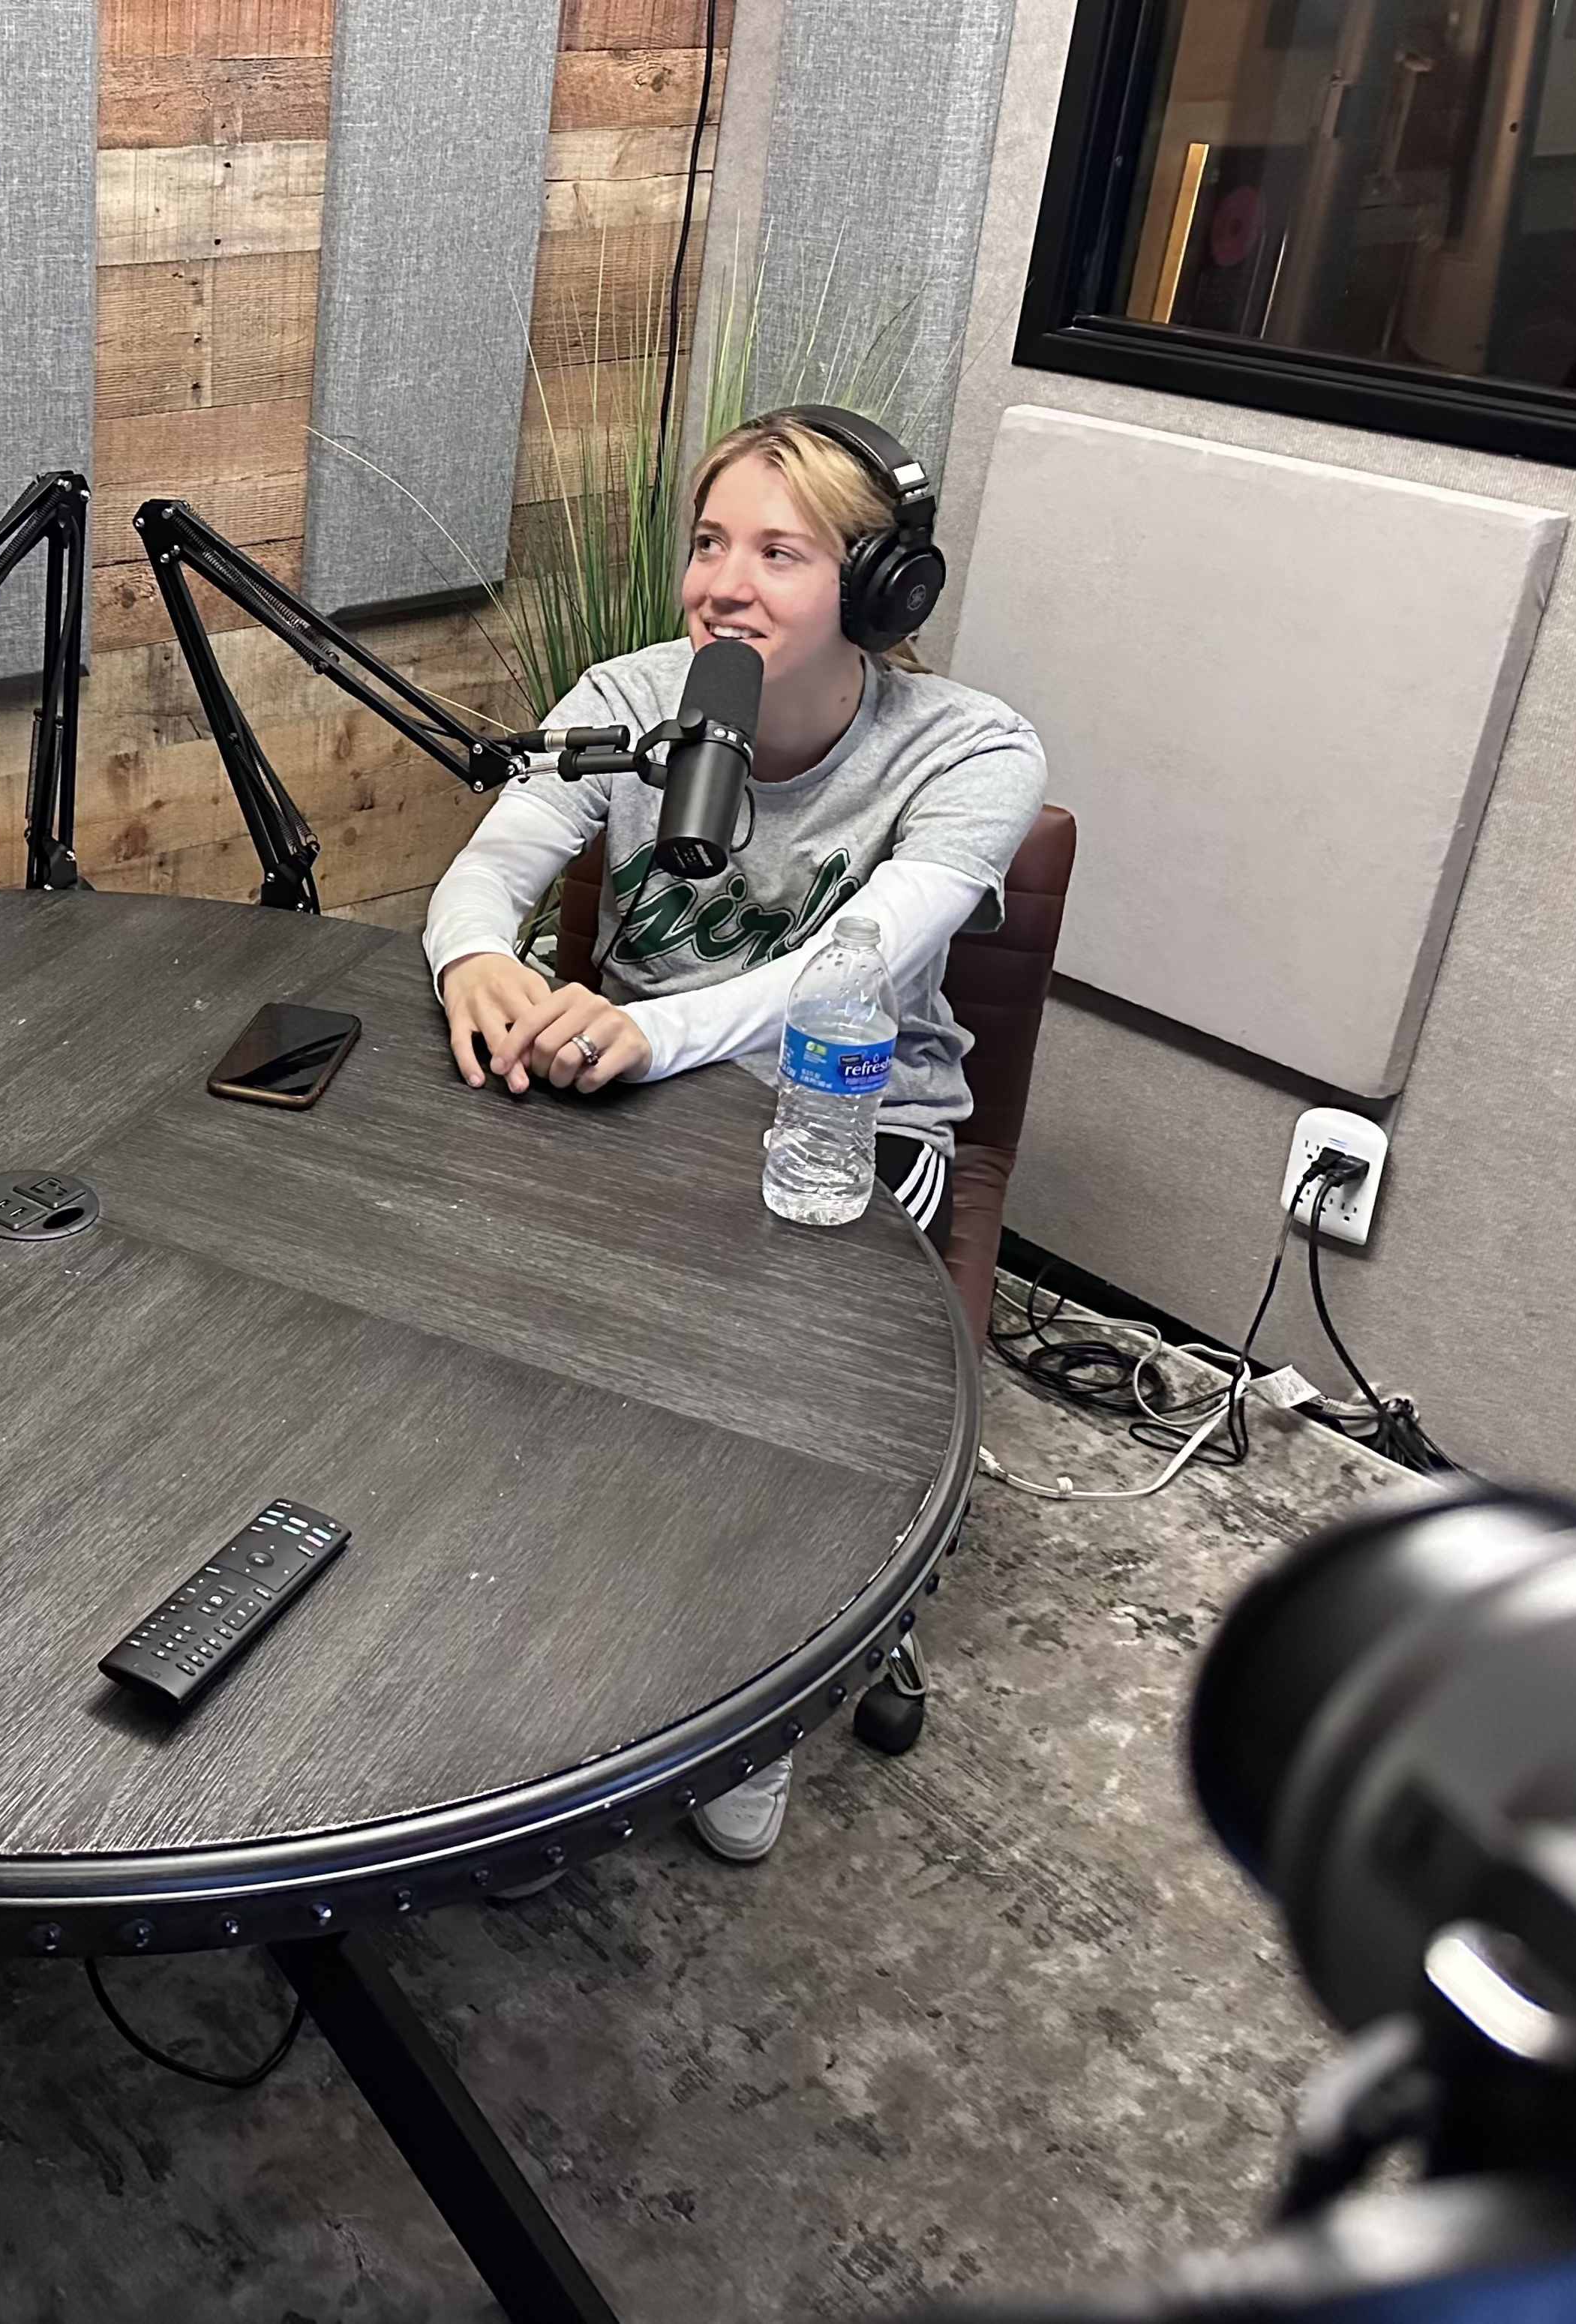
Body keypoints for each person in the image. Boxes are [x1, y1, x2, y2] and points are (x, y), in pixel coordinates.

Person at [425, 406, 1046, 1870]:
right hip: (637, 1104)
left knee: (750, 1375)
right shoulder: (635, 697)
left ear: (881, 588)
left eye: (781, 549)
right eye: (711, 542)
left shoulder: (974, 752)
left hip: (851, 1124)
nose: (725, 581)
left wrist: (652, 1030)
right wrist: (476, 960)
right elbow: (488, 870)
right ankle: (532, 1693)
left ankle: (749, 1707)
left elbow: (862, 964)